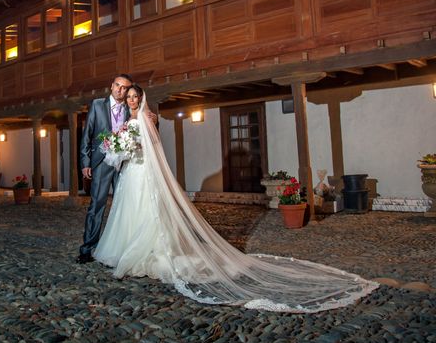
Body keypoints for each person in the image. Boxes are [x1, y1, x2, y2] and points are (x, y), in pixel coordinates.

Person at [93, 85, 379, 313]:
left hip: (144, 172)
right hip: (131, 172)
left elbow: (152, 148)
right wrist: (122, 149)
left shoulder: (145, 117)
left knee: (148, 210)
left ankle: (153, 248)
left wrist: (131, 147)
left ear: (141, 99)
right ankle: (127, 245)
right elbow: (128, 145)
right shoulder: (130, 119)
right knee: (128, 211)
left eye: (134, 96)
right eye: (128, 96)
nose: (131, 100)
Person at [76, 74, 133, 264]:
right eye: (118, 85)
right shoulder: (97, 105)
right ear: (112, 85)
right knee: (96, 205)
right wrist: (85, 163)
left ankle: (119, 249)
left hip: (123, 164)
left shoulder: (130, 108)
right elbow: (87, 135)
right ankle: (88, 248)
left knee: (122, 207)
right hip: (101, 163)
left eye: (125, 88)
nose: (120, 90)